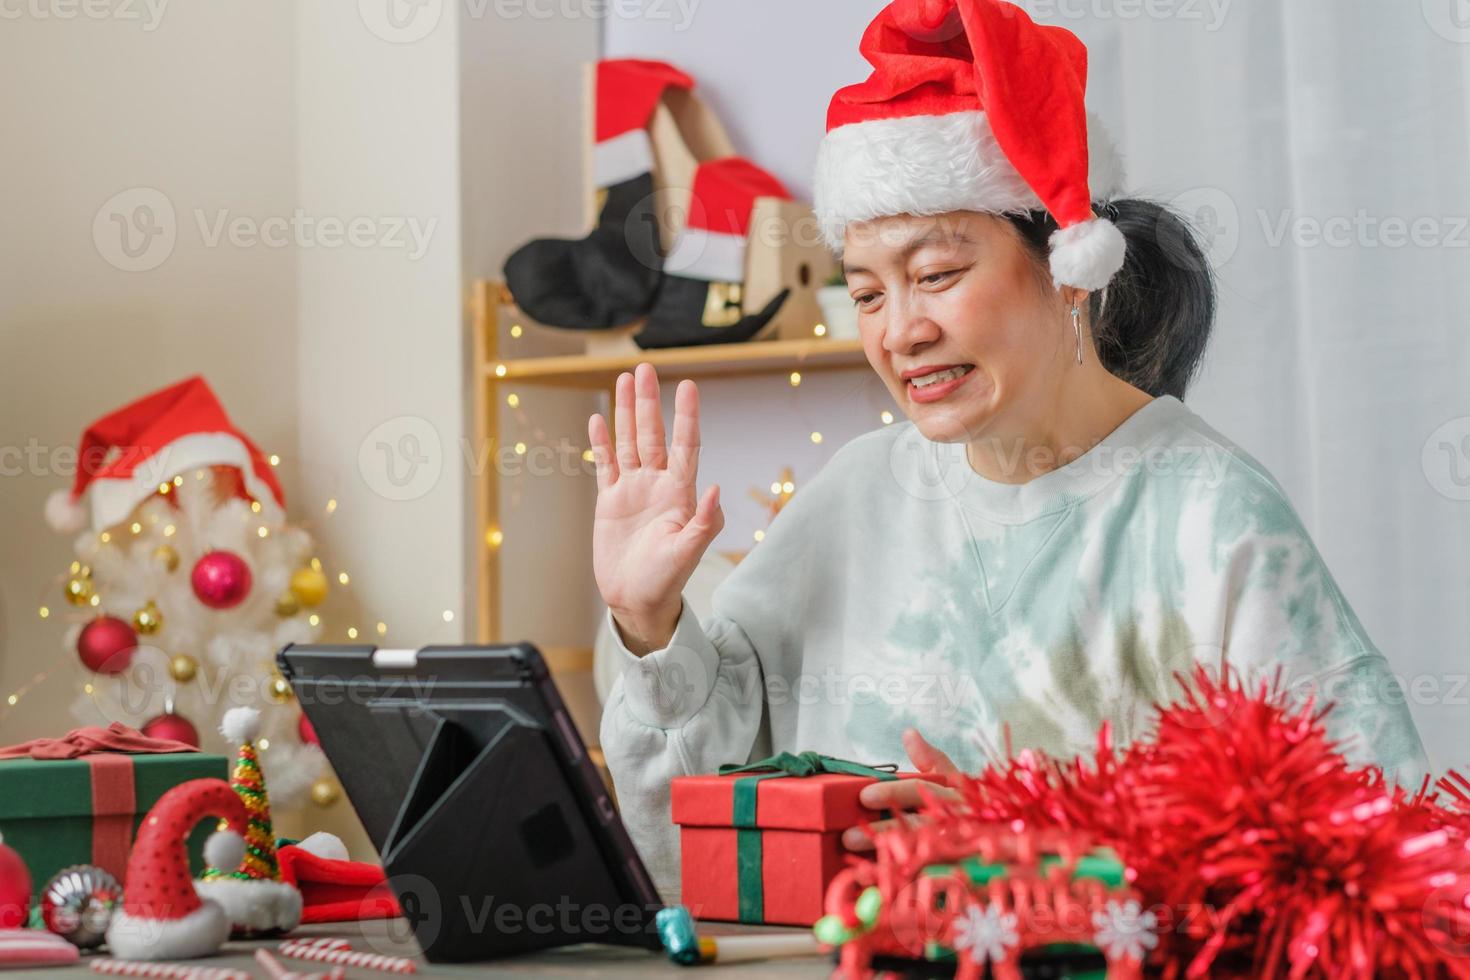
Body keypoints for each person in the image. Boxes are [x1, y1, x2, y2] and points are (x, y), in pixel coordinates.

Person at [589, 0, 1430, 900]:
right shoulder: (859, 492)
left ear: (1067, 268)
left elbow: (1375, 866)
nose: (900, 332)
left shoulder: (1207, 511)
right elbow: (692, 830)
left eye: (938, 275)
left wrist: (1040, 852)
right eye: (867, 294)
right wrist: (650, 625)